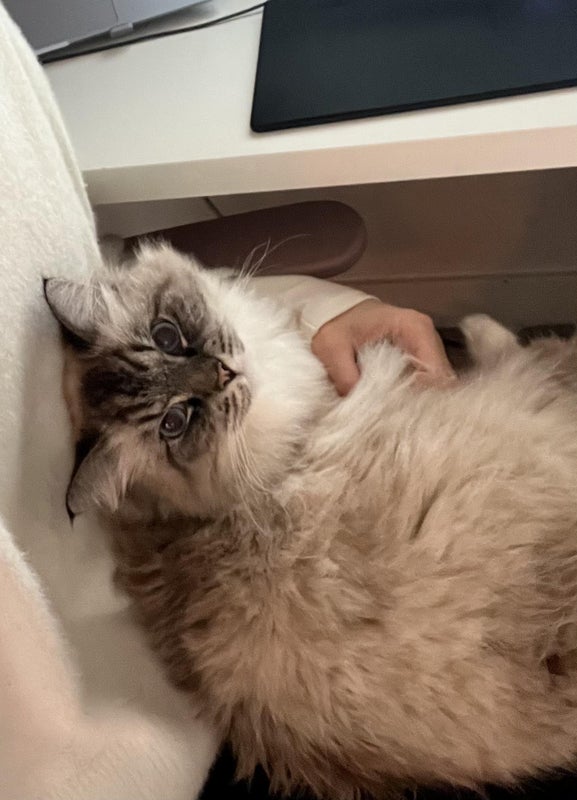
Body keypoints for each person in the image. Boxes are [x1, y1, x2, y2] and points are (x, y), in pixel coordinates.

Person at [0, 6, 454, 800]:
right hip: (192, 726)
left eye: (175, 344)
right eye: (181, 417)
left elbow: (108, 264)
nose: (215, 379)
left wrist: (320, 315)